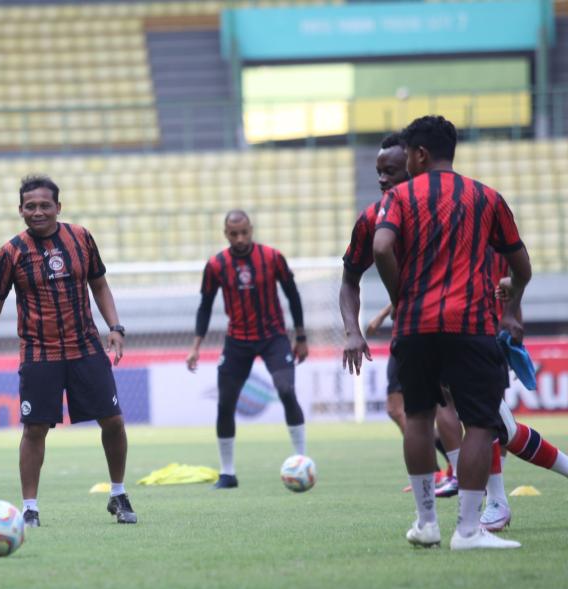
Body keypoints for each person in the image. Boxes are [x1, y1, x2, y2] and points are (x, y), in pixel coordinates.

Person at [373, 115, 530, 550]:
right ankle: (467, 530)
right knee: (480, 423)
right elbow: (522, 267)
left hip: (415, 325)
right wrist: (511, 301)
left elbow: (382, 247)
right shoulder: (486, 197)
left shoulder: (400, 197)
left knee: (418, 416)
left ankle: (426, 522)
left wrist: (400, 293)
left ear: (419, 154)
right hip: (471, 325)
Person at [0, 175, 135, 527]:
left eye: (45, 205)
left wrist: (115, 327)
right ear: (20, 210)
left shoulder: (81, 238)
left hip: (85, 346)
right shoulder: (10, 252)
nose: (38, 212)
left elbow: (100, 285)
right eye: (31, 206)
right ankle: (30, 507)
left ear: (59, 207)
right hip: (38, 353)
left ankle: (118, 493)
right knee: (34, 429)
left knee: (113, 421)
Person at [338, 133, 461, 495]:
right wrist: (353, 330)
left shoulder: (443, 211)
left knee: (456, 408)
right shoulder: (370, 219)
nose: (381, 178)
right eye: (378, 171)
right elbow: (349, 280)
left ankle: (468, 480)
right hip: (409, 331)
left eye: (389, 170)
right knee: (409, 408)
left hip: (452, 324)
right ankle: (447, 482)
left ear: (413, 164)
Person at [186, 210, 308, 489]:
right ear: (225, 234)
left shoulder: (272, 257)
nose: (240, 238)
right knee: (225, 403)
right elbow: (204, 306)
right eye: (233, 234)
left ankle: (301, 460)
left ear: (251, 229)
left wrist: (301, 336)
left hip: (274, 337)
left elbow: (293, 295)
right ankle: (227, 473)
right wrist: (196, 346)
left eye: (244, 232)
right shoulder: (217, 265)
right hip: (238, 340)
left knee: (287, 391)